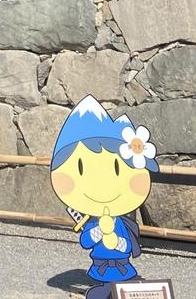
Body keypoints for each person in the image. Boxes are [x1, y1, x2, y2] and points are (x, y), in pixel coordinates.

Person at [49, 95, 159, 299]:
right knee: (104, 291)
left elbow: (128, 245)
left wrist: (117, 242)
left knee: (118, 289)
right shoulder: (93, 222)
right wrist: (99, 232)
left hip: (123, 266)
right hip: (101, 267)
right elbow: (86, 241)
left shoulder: (121, 223)